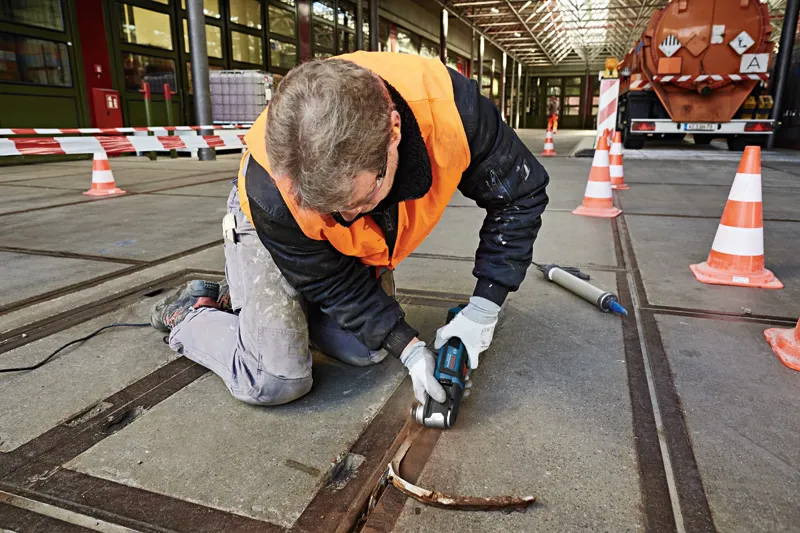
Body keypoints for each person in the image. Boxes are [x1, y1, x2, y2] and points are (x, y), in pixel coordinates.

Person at [150, 52, 549, 407]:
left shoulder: (455, 112)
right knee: (275, 378)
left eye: (360, 199)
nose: (348, 219)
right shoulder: (271, 188)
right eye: (331, 209)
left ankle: (259, 299)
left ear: (394, 132)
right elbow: (327, 278)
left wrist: (481, 311)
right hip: (277, 229)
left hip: (314, 238)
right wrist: (407, 345)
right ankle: (190, 314)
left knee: (368, 348)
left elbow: (520, 195)